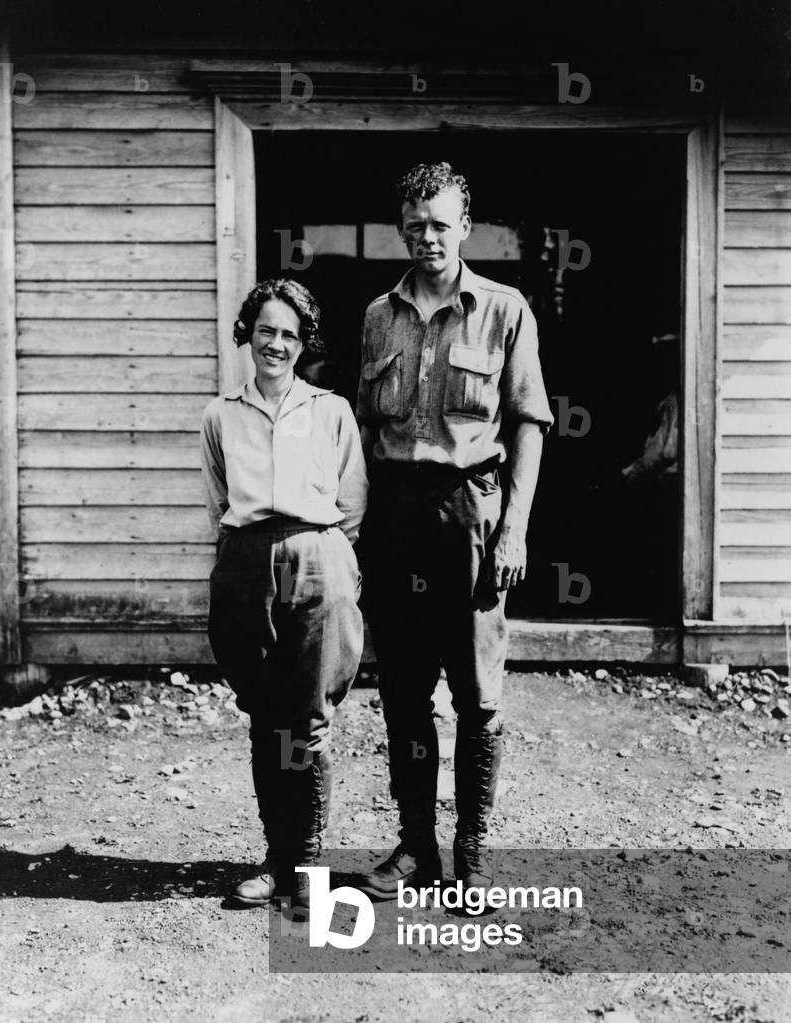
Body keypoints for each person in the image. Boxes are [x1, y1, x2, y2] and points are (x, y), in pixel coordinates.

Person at [354, 163, 553, 898]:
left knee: (476, 694)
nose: (427, 237)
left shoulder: (504, 310)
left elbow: (530, 423)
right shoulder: (379, 315)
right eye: (415, 225)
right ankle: (415, 847)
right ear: (401, 227)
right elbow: (365, 429)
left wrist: (515, 531)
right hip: (396, 514)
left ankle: (470, 852)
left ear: (465, 226)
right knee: (403, 693)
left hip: (470, 514)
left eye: (440, 224)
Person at [200, 277, 367, 909]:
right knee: (265, 717)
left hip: (318, 558)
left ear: (304, 344)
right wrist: (252, 556)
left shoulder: (331, 411)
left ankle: (308, 866)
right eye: (265, 330)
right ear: (248, 334)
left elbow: (351, 502)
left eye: (289, 335)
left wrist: (322, 555)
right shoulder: (221, 414)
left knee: (311, 718)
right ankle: (276, 857)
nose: (276, 344)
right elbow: (219, 499)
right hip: (246, 562)